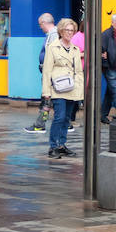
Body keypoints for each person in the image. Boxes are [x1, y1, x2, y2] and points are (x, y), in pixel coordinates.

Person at [45, 18, 83, 159]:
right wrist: (46, 92)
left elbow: (79, 71)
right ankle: (53, 146)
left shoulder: (75, 49)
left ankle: (62, 144)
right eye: (67, 30)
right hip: (58, 88)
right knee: (59, 117)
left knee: (67, 119)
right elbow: (47, 71)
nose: (69, 33)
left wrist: (79, 89)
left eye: (72, 30)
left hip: (72, 88)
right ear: (61, 31)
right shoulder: (53, 47)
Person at [25, 13, 59, 133]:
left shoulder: (54, 35)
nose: (40, 27)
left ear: (45, 23)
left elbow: (53, 54)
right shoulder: (51, 34)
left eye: (40, 24)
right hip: (47, 72)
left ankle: (40, 124)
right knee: (48, 100)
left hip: (50, 74)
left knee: (47, 100)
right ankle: (41, 124)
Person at [100, 13, 116, 123]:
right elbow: (100, 50)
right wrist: (104, 58)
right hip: (110, 67)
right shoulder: (106, 34)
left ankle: (103, 115)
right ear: (112, 23)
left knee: (110, 92)